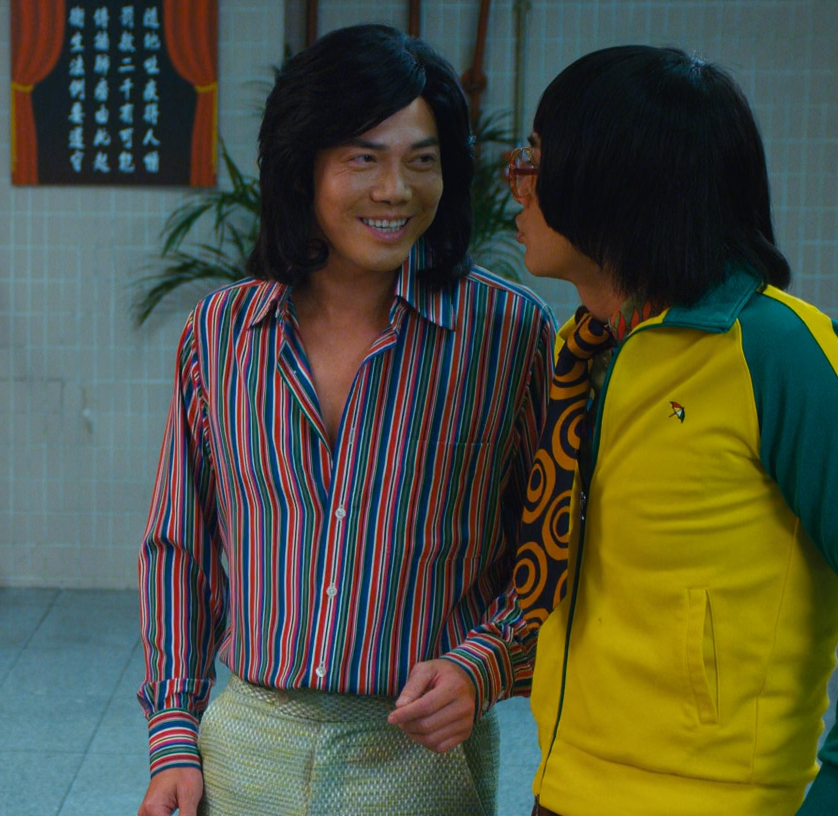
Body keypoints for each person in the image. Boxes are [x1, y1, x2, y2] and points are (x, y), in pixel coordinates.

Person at [508, 46, 838, 815]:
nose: (516, 183)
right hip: (562, 788)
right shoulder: (581, 358)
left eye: (536, 161)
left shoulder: (783, 353)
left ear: (610, 180)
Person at [137, 24, 555, 816]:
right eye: (364, 159)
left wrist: (485, 663)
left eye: (422, 160)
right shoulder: (222, 333)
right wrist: (173, 736)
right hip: (247, 741)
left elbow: (550, 548)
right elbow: (178, 547)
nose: (395, 190)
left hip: (420, 752)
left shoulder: (509, 335)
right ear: (304, 168)